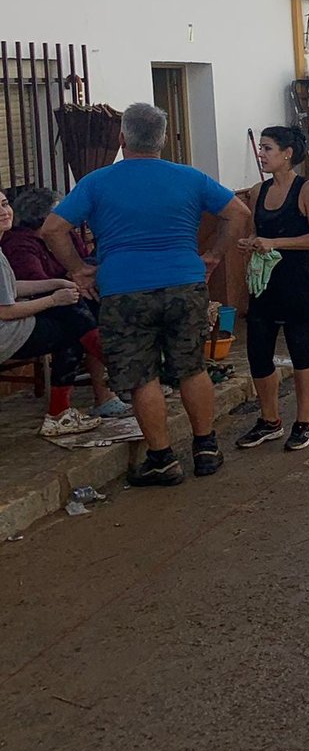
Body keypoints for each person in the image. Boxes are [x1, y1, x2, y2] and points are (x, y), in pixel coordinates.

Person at [43, 102, 251, 485]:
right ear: (162, 141)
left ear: (122, 139)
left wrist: (79, 270)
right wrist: (214, 257)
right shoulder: (190, 177)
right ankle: (206, 448)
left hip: (124, 291)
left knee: (142, 378)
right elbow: (238, 212)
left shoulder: (96, 182)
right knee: (191, 368)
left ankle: (162, 459)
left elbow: (53, 228)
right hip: (185, 283)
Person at [234, 126, 309, 451]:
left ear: (288, 153)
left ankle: (304, 422)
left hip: (297, 284)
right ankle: (269, 419)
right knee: (258, 354)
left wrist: (276, 242)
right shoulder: (258, 191)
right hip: (264, 286)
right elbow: (257, 231)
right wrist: (251, 244)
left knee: (300, 351)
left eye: (268, 148)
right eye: (260, 147)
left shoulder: (308, 190)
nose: (261, 153)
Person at [3, 184, 130, 422]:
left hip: (66, 305)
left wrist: (70, 282)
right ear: (44, 216)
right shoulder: (19, 244)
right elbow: (23, 292)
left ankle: (106, 387)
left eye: (4, 204)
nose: (67, 216)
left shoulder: (66, 234)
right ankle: (122, 371)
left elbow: (81, 264)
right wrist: (61, 288)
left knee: (91, 308)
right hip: (29, 316)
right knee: (77, 317)